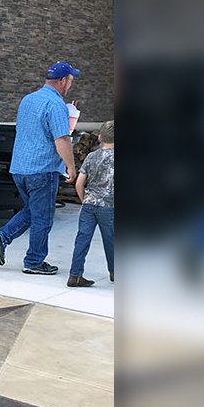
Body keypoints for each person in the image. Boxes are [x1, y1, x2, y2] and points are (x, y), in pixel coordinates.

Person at [0, 61, 80, 275]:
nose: (71, 85)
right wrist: (71, 167)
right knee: (43, 217)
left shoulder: (28, 100)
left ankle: (0, 239)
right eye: (71, 80)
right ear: (63, 81)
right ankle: (34, 261)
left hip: (20, 167)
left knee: (33, 211)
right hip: (42, 169)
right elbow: (62, 140)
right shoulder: (56, 105)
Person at [67, 120, 114, 287]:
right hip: (109, 207)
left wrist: (85, 201)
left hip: (88, 205)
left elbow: (79, 184)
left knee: (82, 239)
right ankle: (114, 272)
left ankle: (75, 275)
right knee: (111, 240)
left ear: (100, 137)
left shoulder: (91, 156)